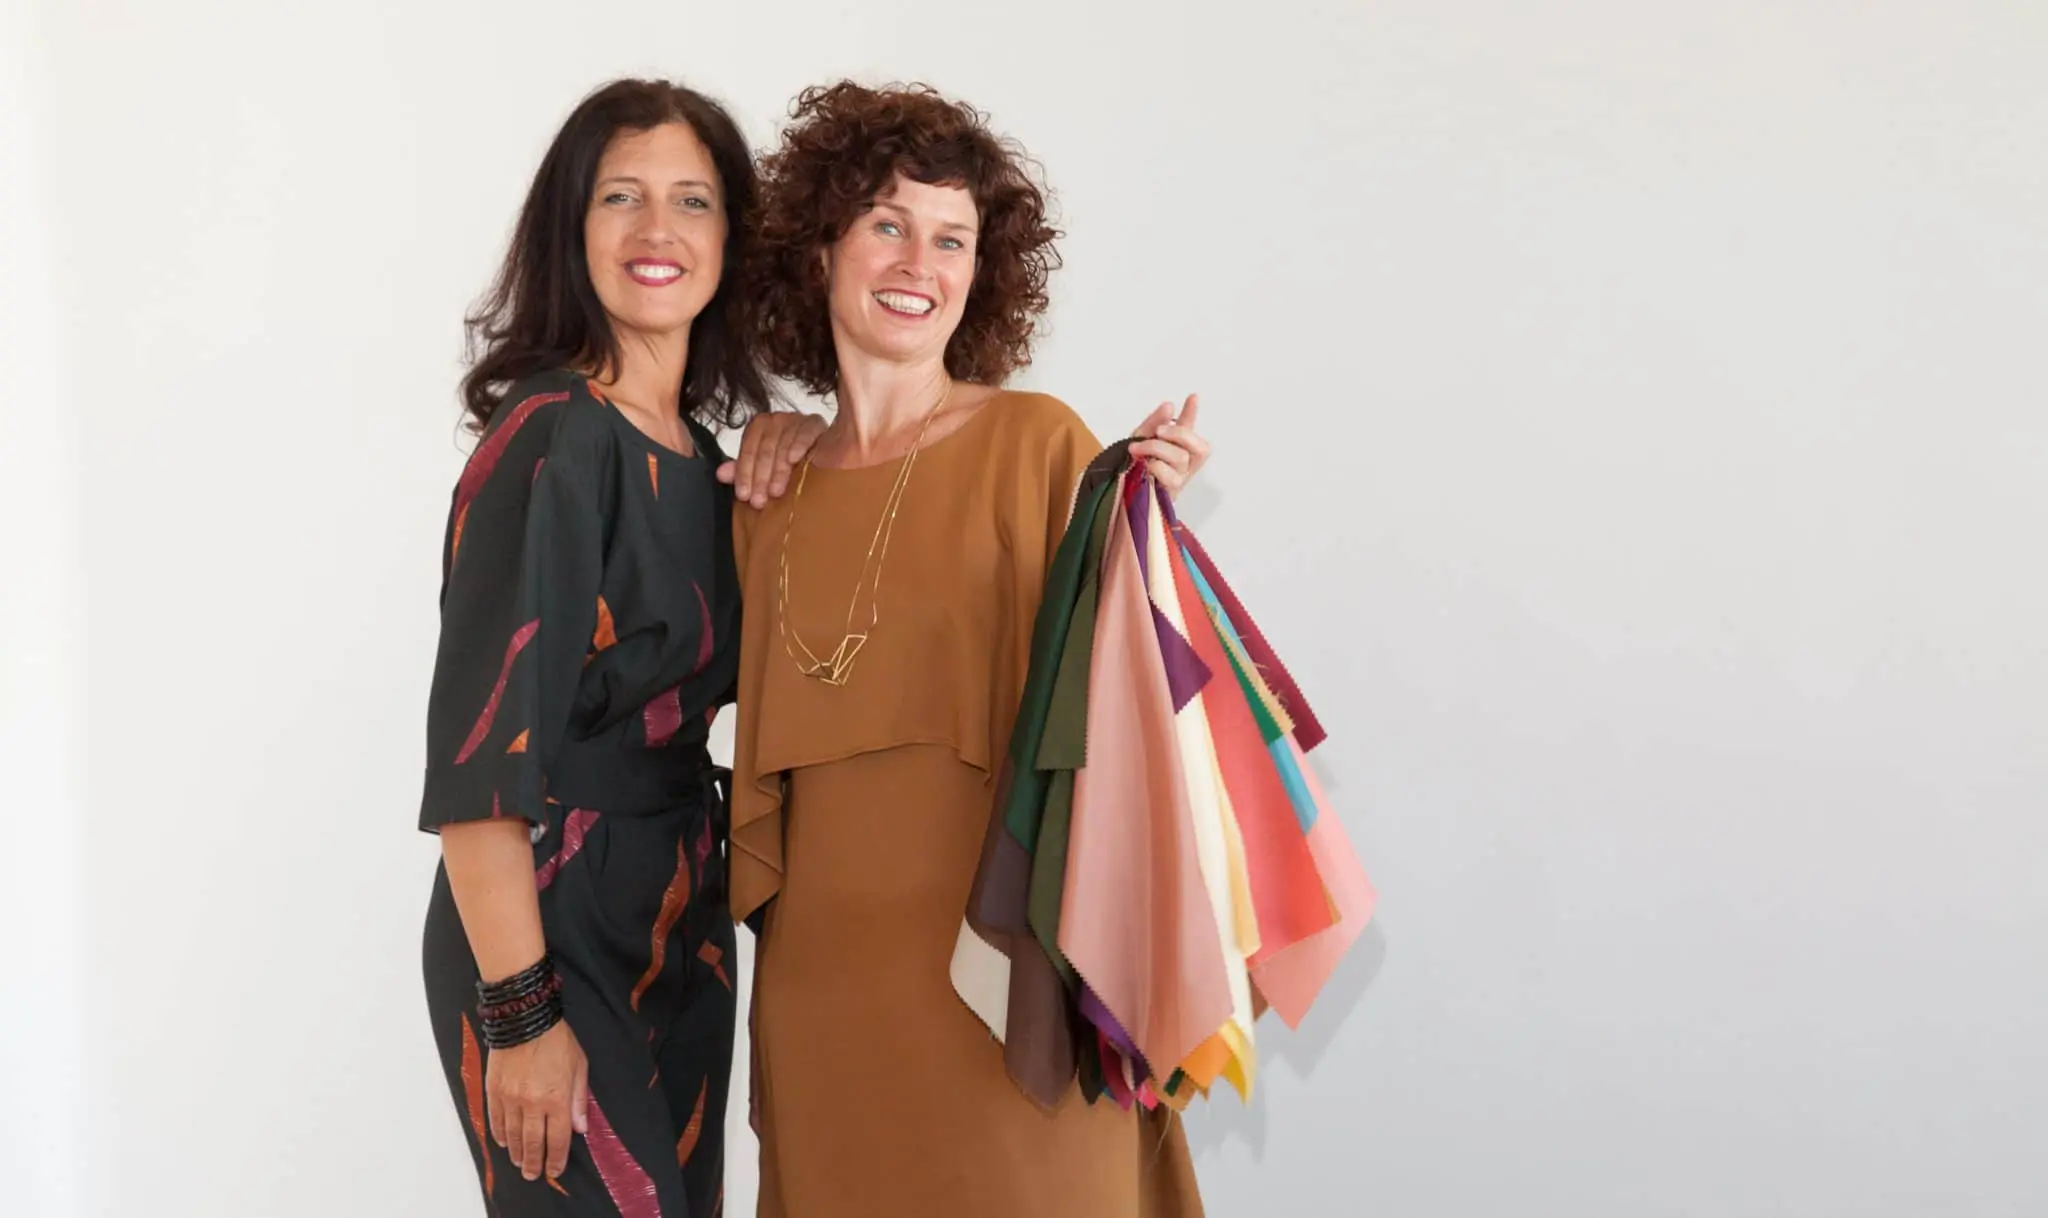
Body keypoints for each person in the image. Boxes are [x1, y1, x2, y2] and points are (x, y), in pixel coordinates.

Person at [728, 81, 1214, 1218]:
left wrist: (1146, 525)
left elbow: (1136, 706)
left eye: (951, 238)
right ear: (819, 249)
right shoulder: (765, 491)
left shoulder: (1036, 445)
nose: (920, 262)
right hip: (824, 1005)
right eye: (888, 224)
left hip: (1012, 980)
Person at [415, 78, 820, 1218]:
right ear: (572, 227)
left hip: (680, 919)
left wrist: (803, 452)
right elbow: (480, 769)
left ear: (732, 240)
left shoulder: (702, 456)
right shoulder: (553, 436)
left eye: (692, 201)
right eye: (620, 197)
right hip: (548, 926)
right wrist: (521, 1016)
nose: (657, 230)